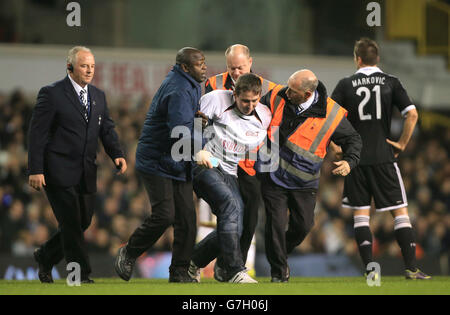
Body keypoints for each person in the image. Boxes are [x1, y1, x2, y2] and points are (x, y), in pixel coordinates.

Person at [331, 38, 431, 280]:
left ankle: (370, 272)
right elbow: (412, 114)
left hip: (354, 159)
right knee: (400, 213)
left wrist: (335, 145)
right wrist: (402, 144)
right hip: (383, 156)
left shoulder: (346, 84)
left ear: (357, 58)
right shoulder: (391, 82)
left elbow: (328, 117)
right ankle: (411, 268)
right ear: (378, 59)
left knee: (361, 215)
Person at [28, 46, 127, 284]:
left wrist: (116, 153)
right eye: (84, 66)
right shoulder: (51, 94)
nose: (89, 70)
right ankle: (80, 274)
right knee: (71, 221)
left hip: (86, 170)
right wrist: (36, 169)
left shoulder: (98, 96)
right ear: (70, 67)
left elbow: (107, 129)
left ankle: (45, 256)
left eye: (92, 66)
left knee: (82, 221)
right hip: (57, 169)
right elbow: (37, 133)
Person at [255, 69, 362, 282]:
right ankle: (279, 273)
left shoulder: (332, 114)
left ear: (306, 94)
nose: (287, 93)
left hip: (304, 180)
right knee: (275, 221)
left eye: (293, 91)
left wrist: (350, 161)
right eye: (288, 87)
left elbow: (353, 139)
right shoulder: (278, 95)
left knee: (303, 226)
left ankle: (278, 252)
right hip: (273, 174)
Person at [114, 47, 207, 283]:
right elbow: (179, 134)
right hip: (158, 160)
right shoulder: (178, 89)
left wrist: (196, 120)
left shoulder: (191, 81)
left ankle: (179, 272)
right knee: (165, 215)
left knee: (186, 218)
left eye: (204, 62)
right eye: (199, 64)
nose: (204, 67)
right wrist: (203, 142)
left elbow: (184, 124)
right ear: (185, 67)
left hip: (176, 159)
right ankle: (129, 252)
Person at [203, 44, 279, 279]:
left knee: (248, 219)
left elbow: (269, 128)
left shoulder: (265, 90)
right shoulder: (213, 87)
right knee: (231, 213)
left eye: (240, 67)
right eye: (231, 68)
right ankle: (227, 266)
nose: (236, 72)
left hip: (249, 165)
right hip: (217, 161)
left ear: (250, 63)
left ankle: (231, 265)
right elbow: (200, 122)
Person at [188, 73, 272, 283]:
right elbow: (193, 125)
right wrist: (200, 149)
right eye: (244, 100)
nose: (249, 105)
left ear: (259, 96)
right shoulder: (216, 99)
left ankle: (191, 263)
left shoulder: (264, 116)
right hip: (205, 165)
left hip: (230, 173)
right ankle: (235, 270)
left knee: (236, 226)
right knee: (230, 206)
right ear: (234, 94)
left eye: (254, 100)